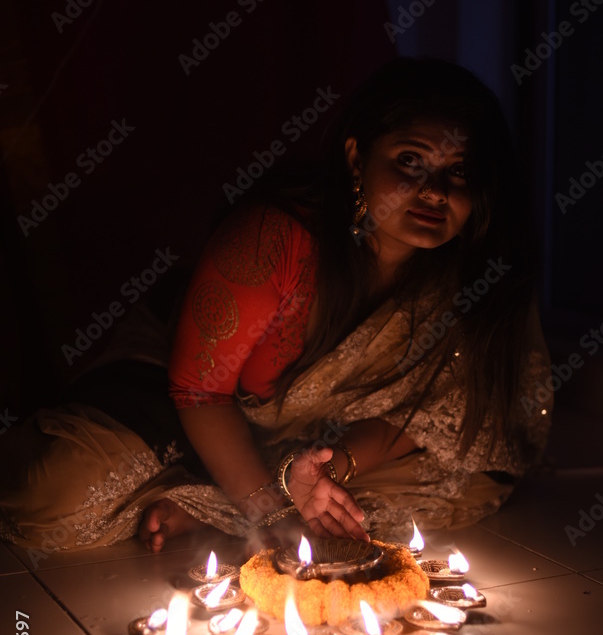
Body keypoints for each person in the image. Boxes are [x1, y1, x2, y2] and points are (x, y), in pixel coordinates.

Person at [0, 58, 552, 558]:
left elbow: (437, 413)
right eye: (411, 161)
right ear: (357, 158)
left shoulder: (474, 274)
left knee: (473, 469)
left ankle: (213, 508)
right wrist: (271, 510)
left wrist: (329, 468)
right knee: (49, 494)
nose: (434, 191)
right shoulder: (277, 238)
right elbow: (199, 390)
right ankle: (227, 497)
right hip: (186, 395)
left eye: (458, 171)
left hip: (319, 435)